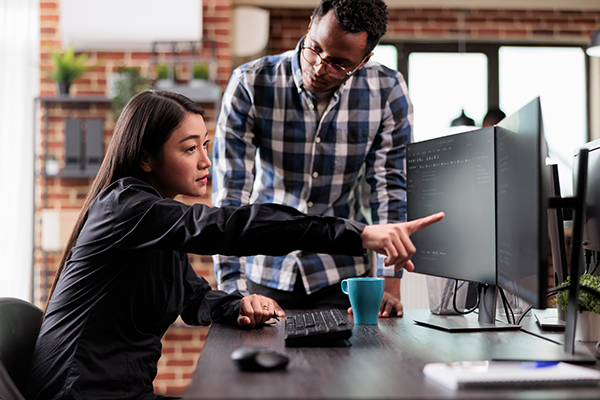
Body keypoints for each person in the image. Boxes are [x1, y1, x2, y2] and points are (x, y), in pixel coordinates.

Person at [26, 90, 442, 400]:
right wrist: (359, 234)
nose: (205, 161)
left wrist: (237, 304)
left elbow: (192, 297)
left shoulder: (153, 218)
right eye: (190, 149)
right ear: (146, 158)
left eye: (204, 145)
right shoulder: (126, 207)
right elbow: (229, 227)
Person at [213, 0, 413, 317]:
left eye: (338, 64)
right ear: (310, 25)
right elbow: (231, 195)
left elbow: (389, 189)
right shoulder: (250, 83)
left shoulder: (387, 90)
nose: (319, 68)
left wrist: (389, 284)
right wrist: (233, 291)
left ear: (364, 61)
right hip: (265, 268)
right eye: (315, 49)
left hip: (343, 274)